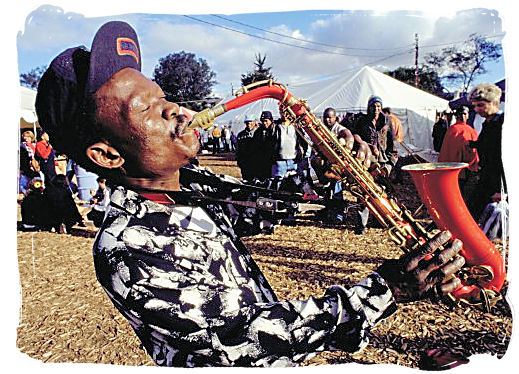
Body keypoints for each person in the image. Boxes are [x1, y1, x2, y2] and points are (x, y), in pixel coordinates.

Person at [35, 21, 465, 368]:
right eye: (146, 109)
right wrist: (385, 290)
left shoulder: (193, 187)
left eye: (163, 97)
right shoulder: (126, 246)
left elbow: (267, 210)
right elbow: (243, 339)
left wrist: (339, 171)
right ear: (107, 155)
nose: (176, 110)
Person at [351, 96, 399, 234]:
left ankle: (379, 221)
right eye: (373, 106)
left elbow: (393, 145)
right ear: (369, 107)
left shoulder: (387, 122)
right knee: (363, 193)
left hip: (383, 163)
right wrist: (366, 145)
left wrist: (390, 165)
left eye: (378, 106)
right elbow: (355, 135)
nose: (376, 109)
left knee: (382, 192)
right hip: (367, 162)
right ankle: (362, 225)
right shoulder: (362, 121)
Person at [467, 83, 506, 223]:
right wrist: (472, 144)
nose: (477, 110)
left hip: (498, 181)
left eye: (481, 105)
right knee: (473, 212)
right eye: (475, 106)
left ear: (495, 103)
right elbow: (488, 145)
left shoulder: (503, 123)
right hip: (486, 177)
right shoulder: (488, 122)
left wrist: (503, 190)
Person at [438, 106, 479, 198]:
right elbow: (446, 149)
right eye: (460, 114)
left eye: (465, 114)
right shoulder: (452, 130)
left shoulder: (472, 131)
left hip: (466, 167)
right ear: (456, 116)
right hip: (455, 167)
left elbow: (475, 151)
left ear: (468, 115)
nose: (463, 116)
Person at [251, 110, 276, 180]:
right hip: (262, 160)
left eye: (266, 121)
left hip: (273, 160)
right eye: (263, 121)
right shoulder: (258, 132)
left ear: (271, 120)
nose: (264, 123)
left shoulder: (276, 130)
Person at [382, 107, 404, 183]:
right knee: (397, 158)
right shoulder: (397, 119)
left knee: (393, 159)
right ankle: (399, 176)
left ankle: (396, 177)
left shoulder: (389, 119)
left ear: (386, 112)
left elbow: (390, 131)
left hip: (393, 141)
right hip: (399, 140)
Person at [236, 115, 258, 180]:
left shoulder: (259, 133)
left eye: (250, 122)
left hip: (256, 162)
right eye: (247, 122)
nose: (249, 124)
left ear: (254, 122)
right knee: (246, 180)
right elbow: (238, 149)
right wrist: (239, 161)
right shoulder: (241, 135)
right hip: (245, 162)